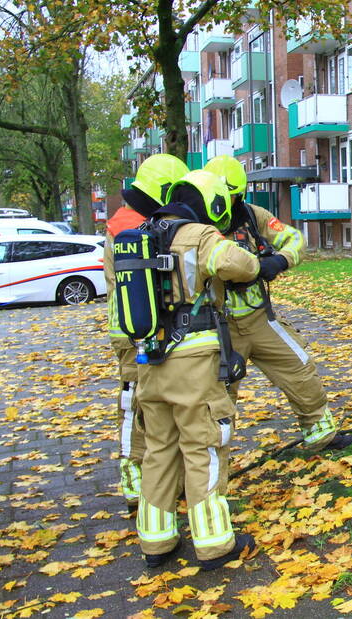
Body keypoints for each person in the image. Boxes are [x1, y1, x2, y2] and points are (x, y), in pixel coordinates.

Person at [130, 169, 259, 570]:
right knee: (204, 445)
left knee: (159, 451)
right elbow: (242, 266)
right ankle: (215, 544)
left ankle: (156, 541)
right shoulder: (200, 235)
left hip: (149, 362)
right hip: (192, 362)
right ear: (212, 204)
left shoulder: (138, 235)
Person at [203, 155, 342, 448]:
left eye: (232, 198)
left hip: (259, 319)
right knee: (216, 397)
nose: (225, 205)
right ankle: (208, 465)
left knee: (300, 367)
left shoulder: (254, 216)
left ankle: (321, 435)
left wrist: (279, 260)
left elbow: (294, 238)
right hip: (217, 326)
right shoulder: (195, 226)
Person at [104, 153, 189, 509]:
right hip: (135, 333)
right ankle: (134, 480)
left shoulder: (129, 220)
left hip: (140, 328)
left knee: (152, 405)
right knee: (136, 404)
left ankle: (161, 479)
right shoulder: (135, 226)